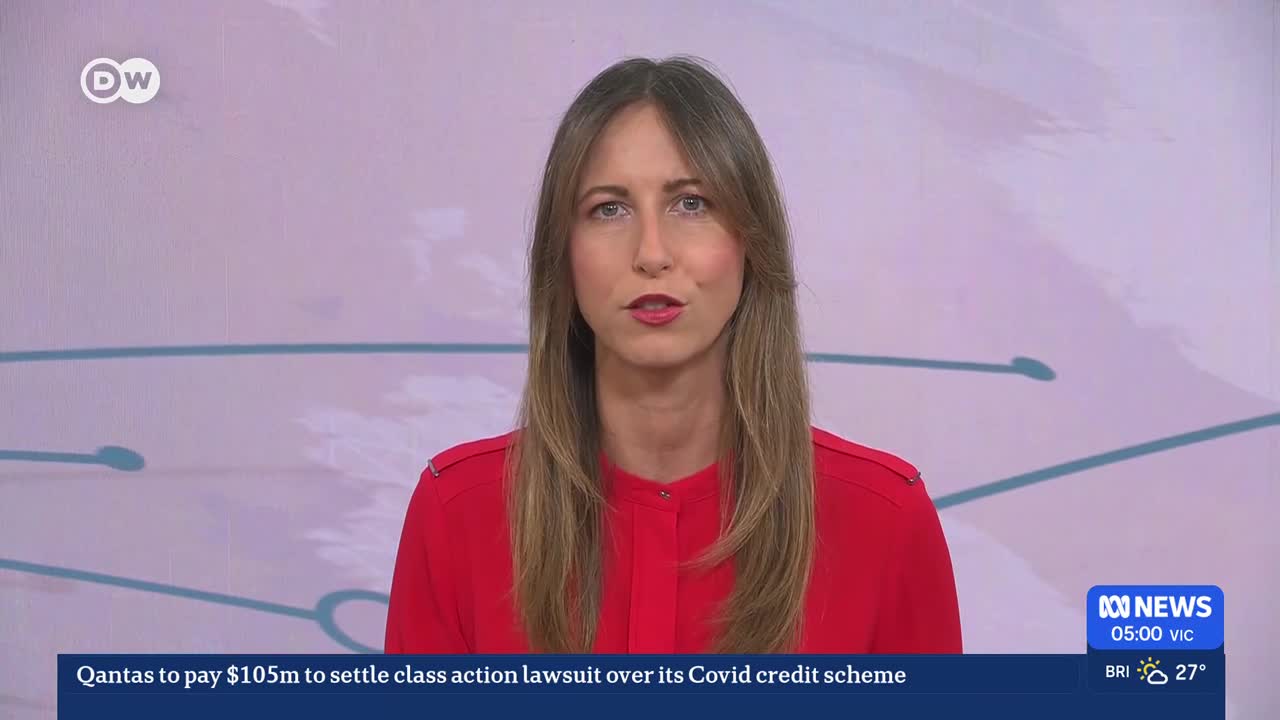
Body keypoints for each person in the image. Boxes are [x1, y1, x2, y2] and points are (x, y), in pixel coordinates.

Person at [384, 56, 961, 654]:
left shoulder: (885, 521)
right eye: (609, 208)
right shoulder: (457, 516)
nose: (652, 253)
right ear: (563, 254)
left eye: (692, 203)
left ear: (750, 243)